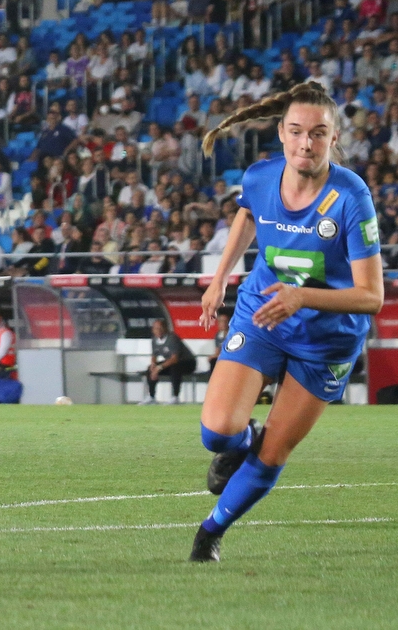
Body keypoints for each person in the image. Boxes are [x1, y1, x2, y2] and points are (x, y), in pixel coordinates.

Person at [189, 81, 383, 562]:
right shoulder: (259, 177)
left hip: (326, 342)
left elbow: (372, 296)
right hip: (263, 314)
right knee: (216, 432)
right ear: (280, 133)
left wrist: (302, 297)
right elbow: (248, 216)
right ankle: (244, 438)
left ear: (334, 139)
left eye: (318, 133)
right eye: (296, 132)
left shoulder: (350, 197)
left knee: (274, 453)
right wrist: (219, 279)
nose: (306, 143)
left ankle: (210, 533)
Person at [140, 318, 196, 405]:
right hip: (171, 363)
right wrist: (153, 365)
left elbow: (175, 358)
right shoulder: (154, 340)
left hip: (188, 363)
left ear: (166, 328)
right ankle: (151, 397)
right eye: (155, 328)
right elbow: (154, 355)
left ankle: (175, 397)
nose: (158, 330)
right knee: (150, 369)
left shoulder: (172, 338)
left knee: (175, 368)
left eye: (160, 328)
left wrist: (159, 368)